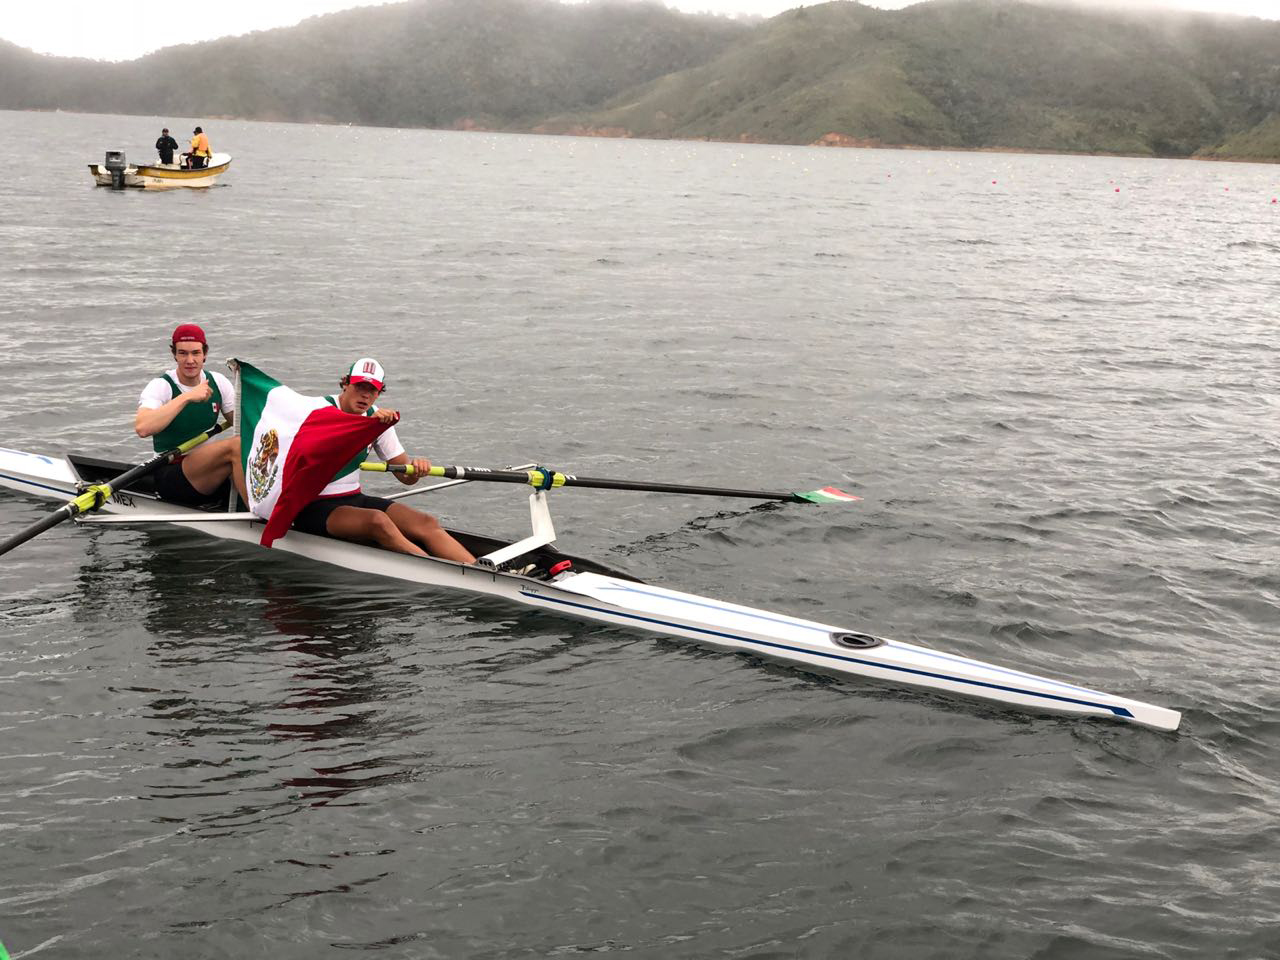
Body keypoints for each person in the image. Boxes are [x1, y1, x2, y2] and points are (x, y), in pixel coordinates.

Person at [290, 358, 477, 563]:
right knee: (378, 521)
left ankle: (477, 570)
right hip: (309, 505)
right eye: (359, 386)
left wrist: (416, 469)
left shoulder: (378, 419)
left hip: (351, 498)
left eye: (373, 390)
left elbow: (405, 478)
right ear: (345, 383)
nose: (365, 395)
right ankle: (446, 573)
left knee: (426, 522)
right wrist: (365, 428)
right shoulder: (316, 409)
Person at [135, 324, 241, 508]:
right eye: (183, 353)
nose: (190, 360)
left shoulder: (218, 382)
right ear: (174, 355)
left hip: (205, 472)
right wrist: (187, 397)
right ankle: (260, 520)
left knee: (249, 447)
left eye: (196, 353)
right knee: (236, 446)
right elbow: (143, 428)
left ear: (205, 354)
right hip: (170, 474)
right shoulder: (161, 385)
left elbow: (242, 425)